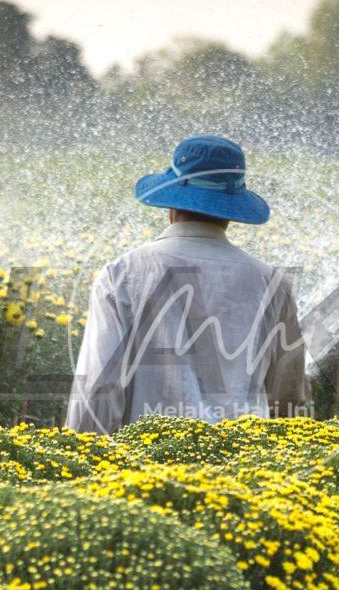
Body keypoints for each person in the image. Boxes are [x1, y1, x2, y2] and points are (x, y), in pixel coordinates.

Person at [63, 134, 308, 433]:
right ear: (231, 211)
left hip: (142, 467)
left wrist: (86, 462)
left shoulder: (122, 275)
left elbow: (99, 388)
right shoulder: (272, 284)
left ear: (171, 204)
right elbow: (288, 398)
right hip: (244, 467)